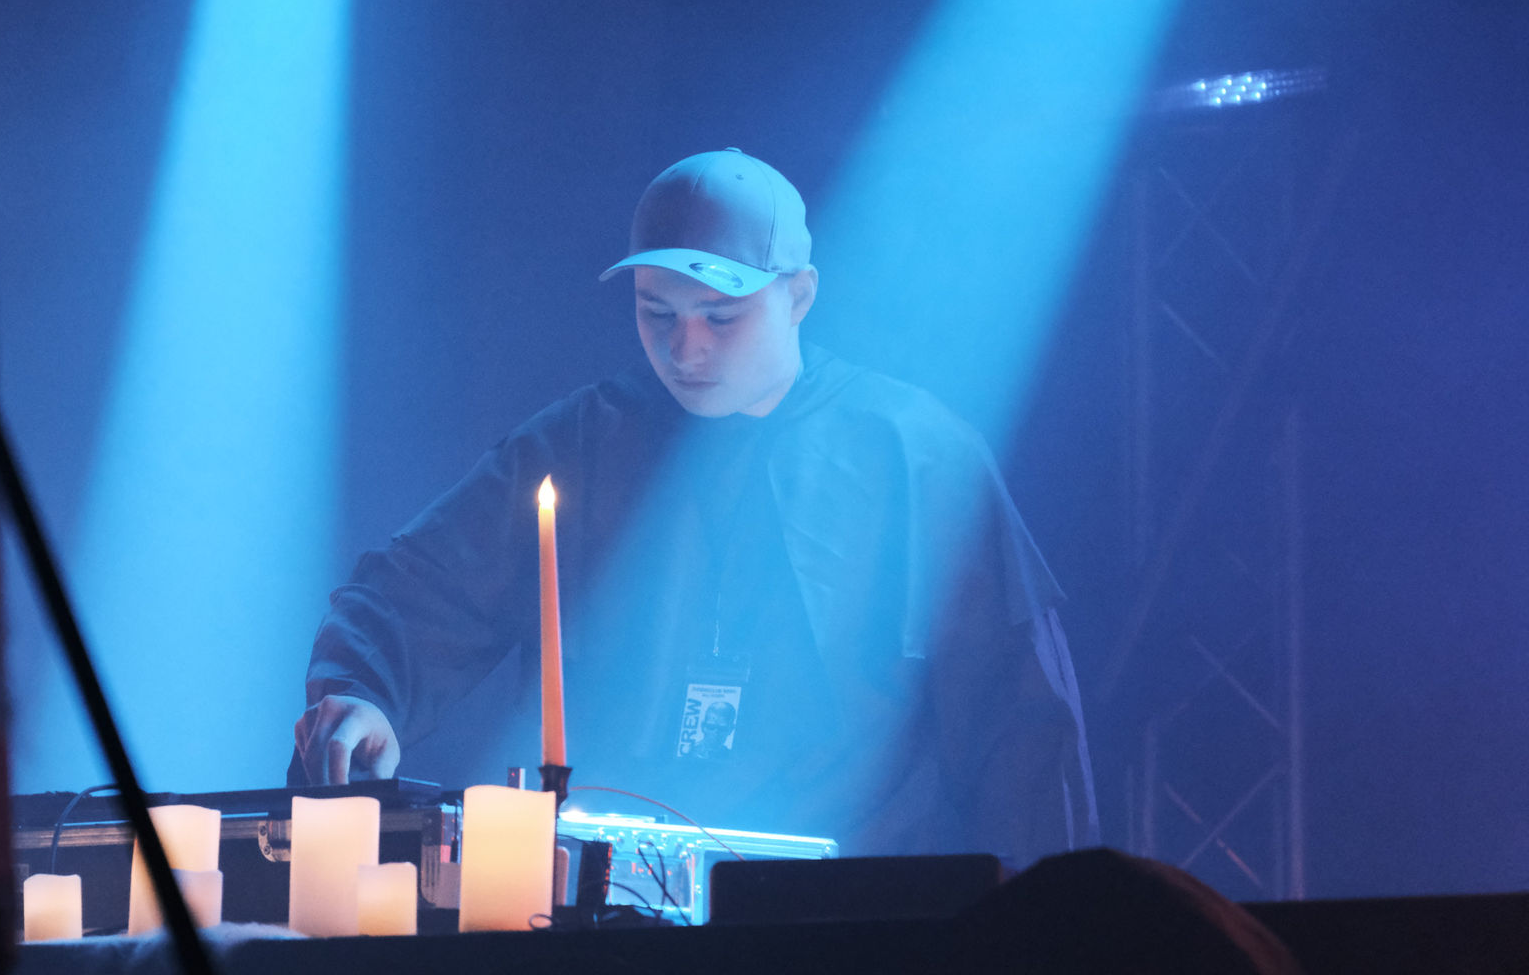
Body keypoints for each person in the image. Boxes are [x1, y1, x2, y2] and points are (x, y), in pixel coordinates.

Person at [295, 149, 1098, 865]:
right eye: (659, 314)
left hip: (851, 913)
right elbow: (409, 594)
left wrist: (1039, 926)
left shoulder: (916, 455)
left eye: (721, 316)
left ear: (799, 296)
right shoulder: (577, 445)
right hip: (615, 904)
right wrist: (365, 695)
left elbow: (1024, 725)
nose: (687, 349)